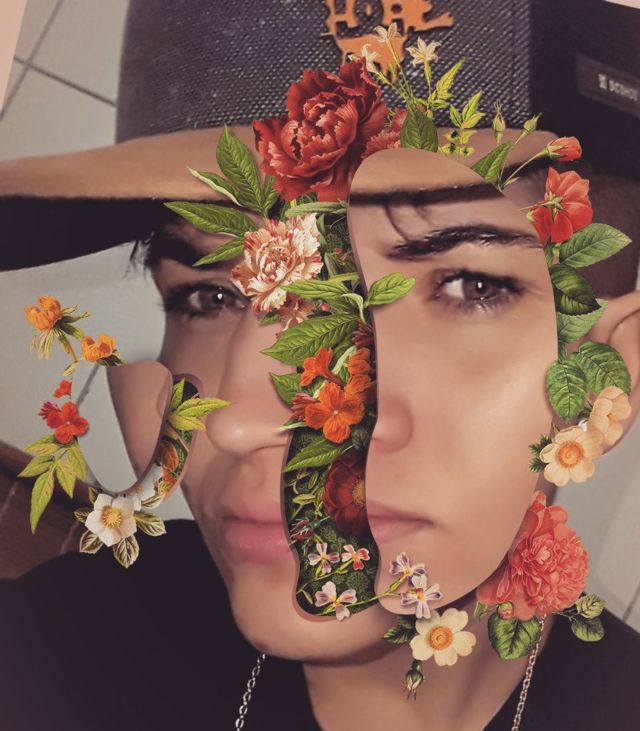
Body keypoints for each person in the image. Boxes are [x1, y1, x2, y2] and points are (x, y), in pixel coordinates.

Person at [1, 1, 639, 730]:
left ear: (607, 381)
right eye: (209, 296)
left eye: (466, 287)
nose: (236, 421)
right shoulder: (66, 645)